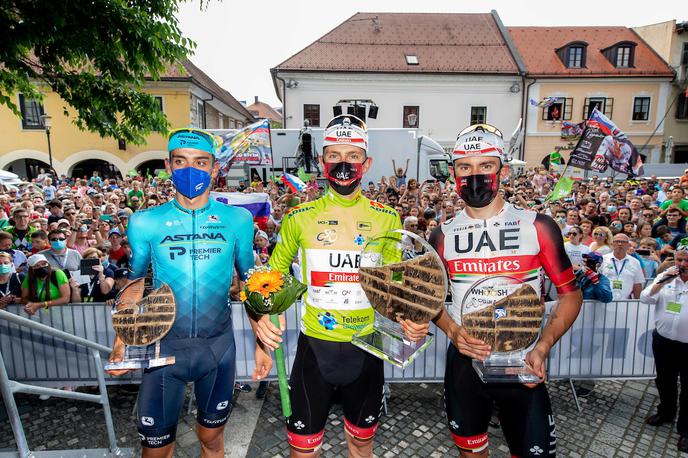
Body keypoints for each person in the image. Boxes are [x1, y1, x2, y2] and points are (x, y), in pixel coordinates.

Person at [253, 114, 423, 457]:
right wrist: (261, 337)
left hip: (366, 351)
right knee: (302, 451)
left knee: (361, 445)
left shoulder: (386, 218)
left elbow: (395, 285)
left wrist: (411, 317)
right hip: (314, 351)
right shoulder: (299, 217)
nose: (343, 164)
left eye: (353, 156)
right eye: (334, 155)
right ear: (321, 160)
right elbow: (270, 279)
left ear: (367, 163)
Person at [428, 123, 582, 457]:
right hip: (466, 362)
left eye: (486, 166)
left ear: (504, 170)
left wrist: (543, 347)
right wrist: (454, 332)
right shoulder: (442, 235)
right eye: (465, 168)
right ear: (453, 174)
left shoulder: (537, 225)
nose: (474, 176)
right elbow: (432, 302)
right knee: (471, 452)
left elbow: (570, 294)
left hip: (523, 359)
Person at [106, 127, 259, 458]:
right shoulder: (145, 222)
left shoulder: (238, 220)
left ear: (215, 168)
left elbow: (250, 281)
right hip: (163, 350)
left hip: (217, 349)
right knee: (156, 451)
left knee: (212, 440)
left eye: (201, 162)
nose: (192, 169)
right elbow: (134, 284)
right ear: (169, 165)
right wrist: (121, 343)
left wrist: (262, 336)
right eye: (182, 161)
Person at [640, 246, 688, 453]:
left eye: (687, 261)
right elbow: (645, 298)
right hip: (664, 342)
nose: (683, 265)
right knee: (664, 380)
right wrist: (662, 281)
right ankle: (666, 412)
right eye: (679, 260)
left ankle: (686, 430)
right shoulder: (665, 278)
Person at [600, 233, 645, 300]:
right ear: (612, 244)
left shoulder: (635, 262)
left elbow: (637, 285)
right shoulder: (602, 260)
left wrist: (637, 304)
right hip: (604, 302)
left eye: (623, 242)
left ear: (628, 245)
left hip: (625, 303)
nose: (620, 244)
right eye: (617, 241)